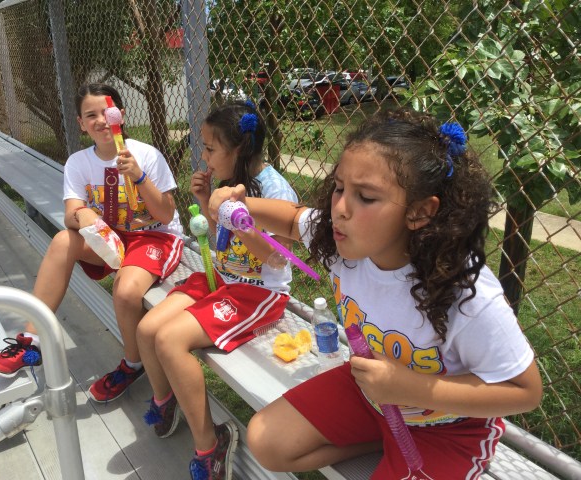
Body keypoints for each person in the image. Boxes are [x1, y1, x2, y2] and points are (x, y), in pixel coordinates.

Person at [208, 108, 543, 479]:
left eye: (365, 197)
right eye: (339, 188)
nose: (339, 209)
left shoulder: (465, 293)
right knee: (267, 441)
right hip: (370, 392)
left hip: (445, 426)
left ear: (419, 212)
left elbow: (524, 391)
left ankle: (394, 444)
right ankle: (384, 439)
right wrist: (236, 204)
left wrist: (413, 389)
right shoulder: (340, 240)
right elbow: (290, 218)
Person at [0, 83, 185, 403]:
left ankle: (133, 364)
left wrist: (139, 177)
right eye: (91, 115)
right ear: (80, 123)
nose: (101, 120)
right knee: (64, 240)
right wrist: (82, 215)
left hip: (154, 236)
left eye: (107, 112)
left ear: (121, 115)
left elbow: (166, 213)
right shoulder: (79, 162)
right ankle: (32, 341)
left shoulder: (146, 155)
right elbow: (70, 215)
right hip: (110, 237)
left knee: (126, 291)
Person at [136, 101, 298, 480]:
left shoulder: (275, 191)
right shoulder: (227, 183)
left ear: (239, 149)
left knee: (169, 341)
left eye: (210, 148)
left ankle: (211, 445)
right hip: (222, 279)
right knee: (147, 329)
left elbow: (278, 259)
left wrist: (237, 218)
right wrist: (205, 202)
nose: (204, 157)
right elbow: (220, 239)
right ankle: (167, 400)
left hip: (257, 294)